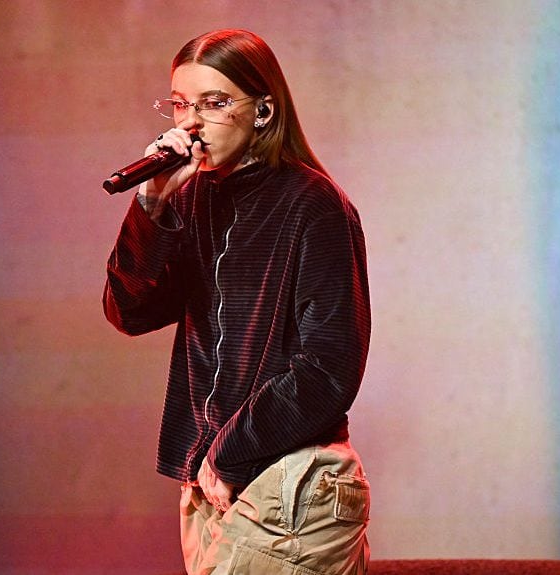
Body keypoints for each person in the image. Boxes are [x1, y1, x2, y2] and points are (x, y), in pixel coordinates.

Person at [103, 29, 371, 574]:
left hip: (288, 476)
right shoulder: (192, 199)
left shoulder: (312, 203)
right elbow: (129, 312)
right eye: (181, 105)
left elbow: (328, 365)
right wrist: (150, 205)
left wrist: (229, 452)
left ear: (263, 111)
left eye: (214, 103)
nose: (190, 123)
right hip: (213, 479)